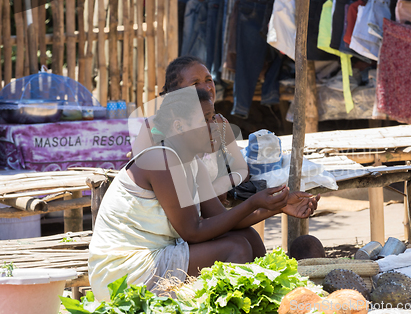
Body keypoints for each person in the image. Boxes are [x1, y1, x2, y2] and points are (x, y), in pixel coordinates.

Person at [89, 86, 320, 301]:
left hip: (156, 257)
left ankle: (267, 299)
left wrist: (277, 205)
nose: (215, 126)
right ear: (179, 127)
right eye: (206, 120)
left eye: (213, 118)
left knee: (247, 236)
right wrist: (253, 204)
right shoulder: (161, 159)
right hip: (121, 274)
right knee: (236, 248)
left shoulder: (191, 162)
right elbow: (194, 231)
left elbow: (222, 219)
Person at [132, 56, 247, 204]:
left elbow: (242, 169)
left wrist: (224, 183)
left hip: (208, 212)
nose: (207, 88)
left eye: (208, 79)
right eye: (195, 83)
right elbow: (140, 181)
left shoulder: (219, 124)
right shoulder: (153, 127)